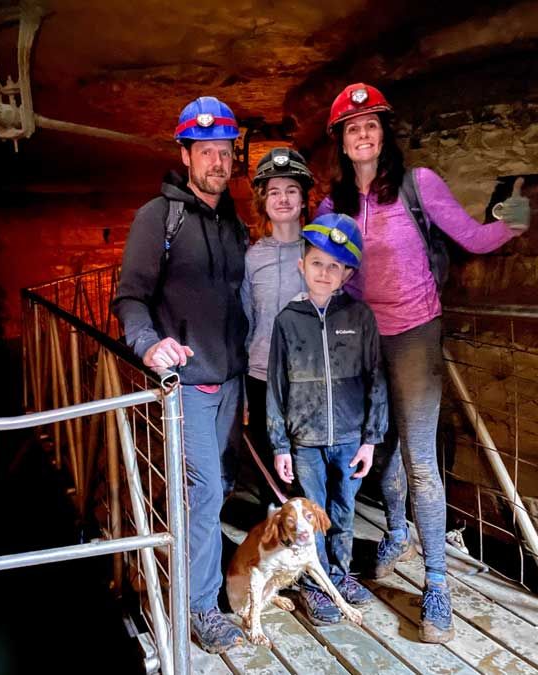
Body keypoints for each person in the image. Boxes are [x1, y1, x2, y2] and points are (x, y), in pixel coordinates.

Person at [318, 82, 531, 643]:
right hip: (363, 341)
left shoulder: (419, 185)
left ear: (383, 134)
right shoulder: (333, 205)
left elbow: (474, 238)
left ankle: (436, 586)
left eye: (371, 126)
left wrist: (516, 217)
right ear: (340, 142)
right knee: (381, 447)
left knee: (418, 460)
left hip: (414, 333)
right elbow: (317, 268)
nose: (362, 135)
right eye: (351, 128)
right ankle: (395, 533)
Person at [112, 96, 250, 653]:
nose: (218, 162)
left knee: (218, 486)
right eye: (207, 152)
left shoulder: (233, 221)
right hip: (190, 383)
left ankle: (205, 576)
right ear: (187, 155)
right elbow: (130, 298)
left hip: (232, 380)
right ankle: (200, 606)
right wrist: (148, 344)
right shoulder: (158, 217)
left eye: (225, 153)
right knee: (204, 488)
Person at [266, 213, 388, 626]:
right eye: (317, 262)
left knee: (344, 509)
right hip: (304, 439)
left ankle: (339, 572)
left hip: (350, 436)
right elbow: (275, 388)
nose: (324, 272)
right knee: (310, 515)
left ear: (347, 274)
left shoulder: (360, 318)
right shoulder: (286, 321)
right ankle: (315, 586)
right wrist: (280, 444)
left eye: (334, 266)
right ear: (302, 265)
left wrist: (371, 439)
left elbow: (376, 378)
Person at [240, 147, 314, 508]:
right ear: (263, 202)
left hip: (309, 376)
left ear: (303, 199)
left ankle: (315, 542)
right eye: (273, 192)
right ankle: (275, 538)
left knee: (307, 462)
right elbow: (246, 317)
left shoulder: (319, 251)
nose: (282, 199)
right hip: (262, 374)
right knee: (270, 462)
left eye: (290, 191)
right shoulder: (253, 258)